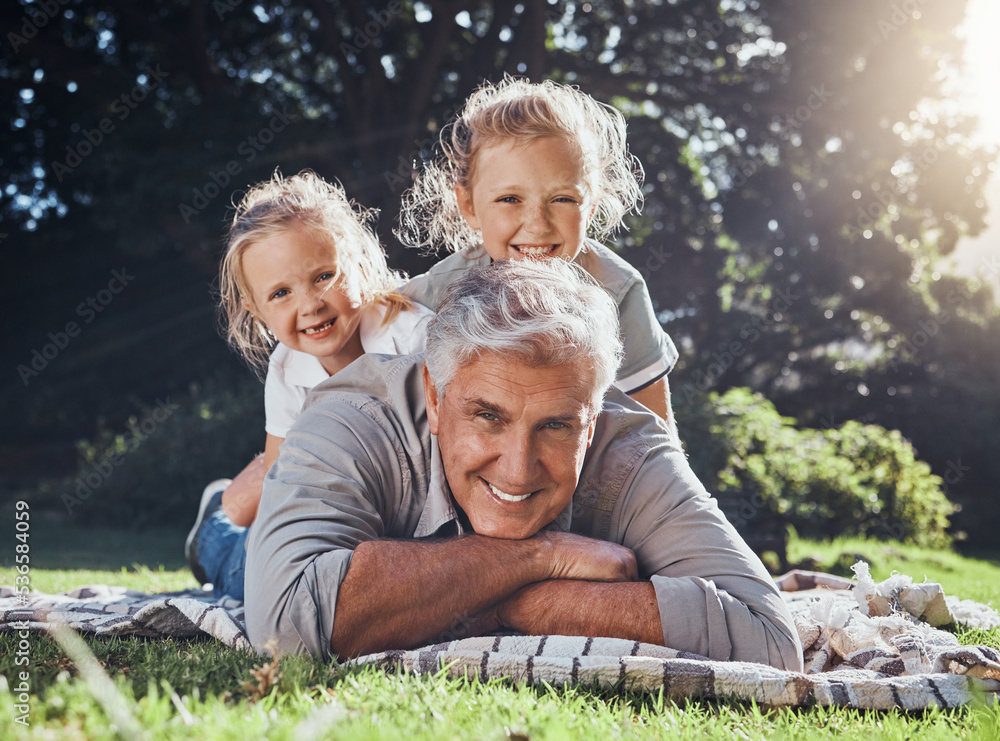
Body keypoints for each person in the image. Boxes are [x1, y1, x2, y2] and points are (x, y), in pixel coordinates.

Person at [243, 258, 802, 671]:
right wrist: (544, 556)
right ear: (435, 398)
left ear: (592, 418)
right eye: (487, 416)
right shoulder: (351, 417)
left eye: (556, 425)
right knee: (230, 553)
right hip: (248, 544)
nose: (517, 469)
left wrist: (474, 597)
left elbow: (769, 641)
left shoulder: (631, 450)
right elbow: (285, 627)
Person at [185, 170, 433, 600]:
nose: (310, 305)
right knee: (251, 575)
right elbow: (285, 486)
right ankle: (216, 528)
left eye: (323, 276)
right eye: (281, 293)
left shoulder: (414, 339)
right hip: (324, 502)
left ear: (357, 263)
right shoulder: (286, 370)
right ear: (255, 308)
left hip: (389, 503)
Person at [397, 76, 679, 434]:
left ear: (590, 206)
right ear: (468, 205)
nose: (537, 224)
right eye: (510, 199)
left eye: (563, 199)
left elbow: (657, 435)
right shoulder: (435, 294)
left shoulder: (618, 291)